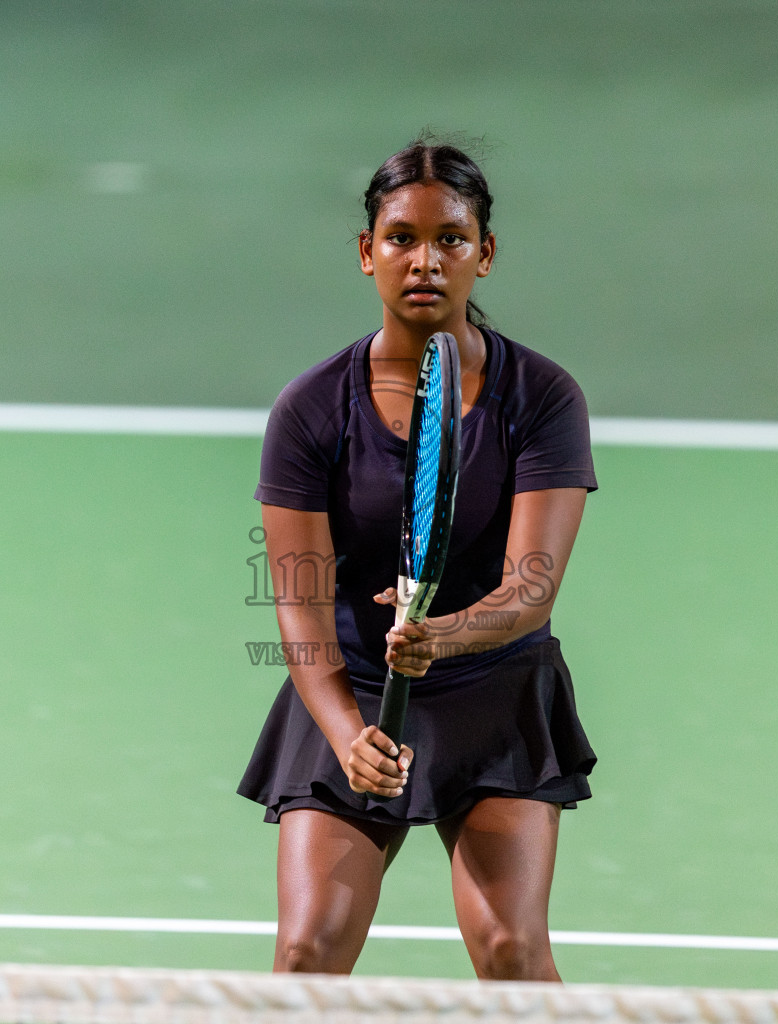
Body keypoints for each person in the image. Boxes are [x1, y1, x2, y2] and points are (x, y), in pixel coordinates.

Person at [237, 136, 598, 981]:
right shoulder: (310, 410)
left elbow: (531, 591)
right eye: (402, 238)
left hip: (494, 686)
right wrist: (347, 734)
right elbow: (299, 606)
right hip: (356, 685)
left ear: (487, 253)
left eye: (452, 239)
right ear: (368, 253)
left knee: (511, 948)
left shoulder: (541, 398)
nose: (425, 260)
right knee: (306, 951)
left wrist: (446, 634)